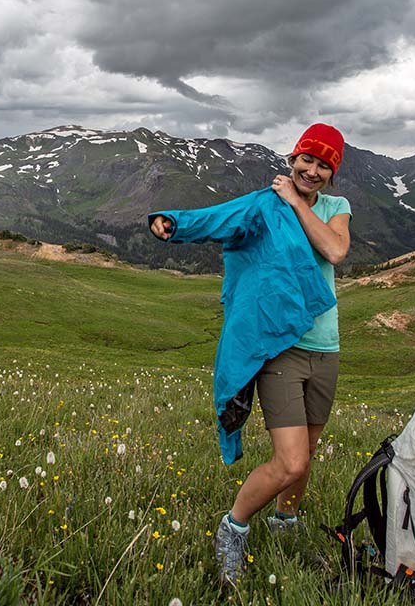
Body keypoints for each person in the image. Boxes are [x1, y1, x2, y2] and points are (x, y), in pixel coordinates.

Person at [148, 123, 351, 584]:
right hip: (280, 345)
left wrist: (297, 203)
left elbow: (335, 249)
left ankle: (285, 525)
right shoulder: (263, 204)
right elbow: (220, 217)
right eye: (307, 160)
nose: (313, 171)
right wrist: (174, 224)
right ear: (293, 158)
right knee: (292, 461)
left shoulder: (336, 208)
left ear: (332, 173)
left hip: (326, 348)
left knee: (310, 450)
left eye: (324, 165)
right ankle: (233, 527)